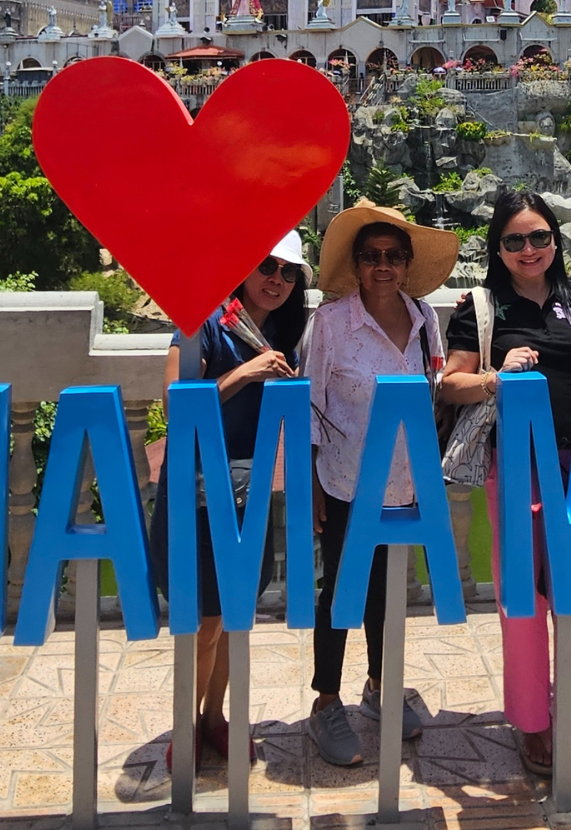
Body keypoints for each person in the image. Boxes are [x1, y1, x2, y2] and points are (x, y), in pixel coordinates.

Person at [439, 189, 571, 779]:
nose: (529, 249)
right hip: (516, 466)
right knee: (525, 596)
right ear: (498, 247)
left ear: (555, 241)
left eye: (539, 237)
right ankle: (533, 720)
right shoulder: (482, 307)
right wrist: (496, 376)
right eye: (515, 240)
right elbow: (450, 385)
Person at [305, 202, 458, 767]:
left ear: (408, 263)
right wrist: (312, 485)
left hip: (406, 482)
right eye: (371, 257)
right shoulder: (330, 324)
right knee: (339, 592)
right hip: (346, 481)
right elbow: (310, 406)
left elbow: (434, 386)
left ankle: (378, 686)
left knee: (389, 593)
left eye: (394, 256)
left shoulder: (424, 318)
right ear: (357, 264)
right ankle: (326, 700)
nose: (383, 266)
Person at [151, 229, 311, 770]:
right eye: (267, 266)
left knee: (233, 614)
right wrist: (244, 374)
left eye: (290, 273)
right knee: (203, 620)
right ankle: (186, 723)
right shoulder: (203, 325)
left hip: (249, 487)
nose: (278, 280)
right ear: (243, 268)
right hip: (199, 487)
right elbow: (176, 407)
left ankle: (214, 717)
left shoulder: (281, 337)